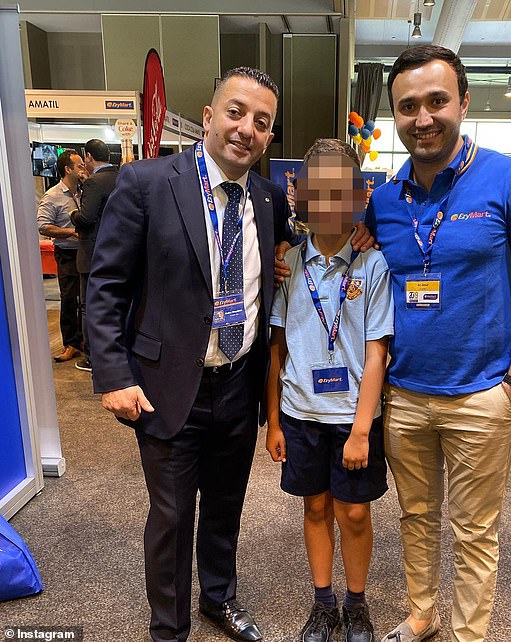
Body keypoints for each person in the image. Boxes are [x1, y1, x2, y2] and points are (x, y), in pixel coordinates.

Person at [87, 67, 372, 642]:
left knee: (225, 505)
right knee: (171, 517)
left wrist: (367, 236)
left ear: (270, 137)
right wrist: (113, 374)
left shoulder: (267, 198)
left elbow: (321, 236)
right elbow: (106, 285)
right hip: (166, 384)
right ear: (210, 114)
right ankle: (168, 629)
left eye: (262, 122)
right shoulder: (146, 183)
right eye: (237, 112)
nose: (247, 129)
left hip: (239, 384)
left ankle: (219, 599)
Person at [364, 45, 511, 642]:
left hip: (483, 393)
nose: (422, 118)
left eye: (436, 101)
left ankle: (469, 633)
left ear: (463, 102)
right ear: (394, 116)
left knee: (475, 529)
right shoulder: (385, 199)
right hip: (405, 394)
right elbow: (359, 273)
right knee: (416, 518)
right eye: (407, 107)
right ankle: (422, 612)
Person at [266, 139, 393, 642]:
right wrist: (274, 421)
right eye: (316, 192)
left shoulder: (372, 265)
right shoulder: (288, 265)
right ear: (297, 196)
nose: (327, 204)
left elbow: (377, 352)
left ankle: (356, 603)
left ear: (359, 196)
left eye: (339, 192)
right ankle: (323, 603)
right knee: (314, 506)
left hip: (353, 417)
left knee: (354, 512)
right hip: (301, 414)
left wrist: (362, 430)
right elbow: (277, 348)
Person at [70, 138, 118, 373]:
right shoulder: (122, 177)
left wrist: (72, 214)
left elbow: (86, 218)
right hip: (119, 253)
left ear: (88, 157)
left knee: (89, 307)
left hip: (92, 256)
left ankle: (91, 357)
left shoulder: (93, 183)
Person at [37, 150, 86, 362]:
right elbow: (43, 226)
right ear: (68, 169)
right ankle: (70, 344)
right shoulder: (53, 195)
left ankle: (82, 340)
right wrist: (72, 232)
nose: (83, 169)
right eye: (79, 166)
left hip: (84, 251)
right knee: (69, 298)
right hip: (67, 253)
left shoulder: (83, 192)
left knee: (84, 298)